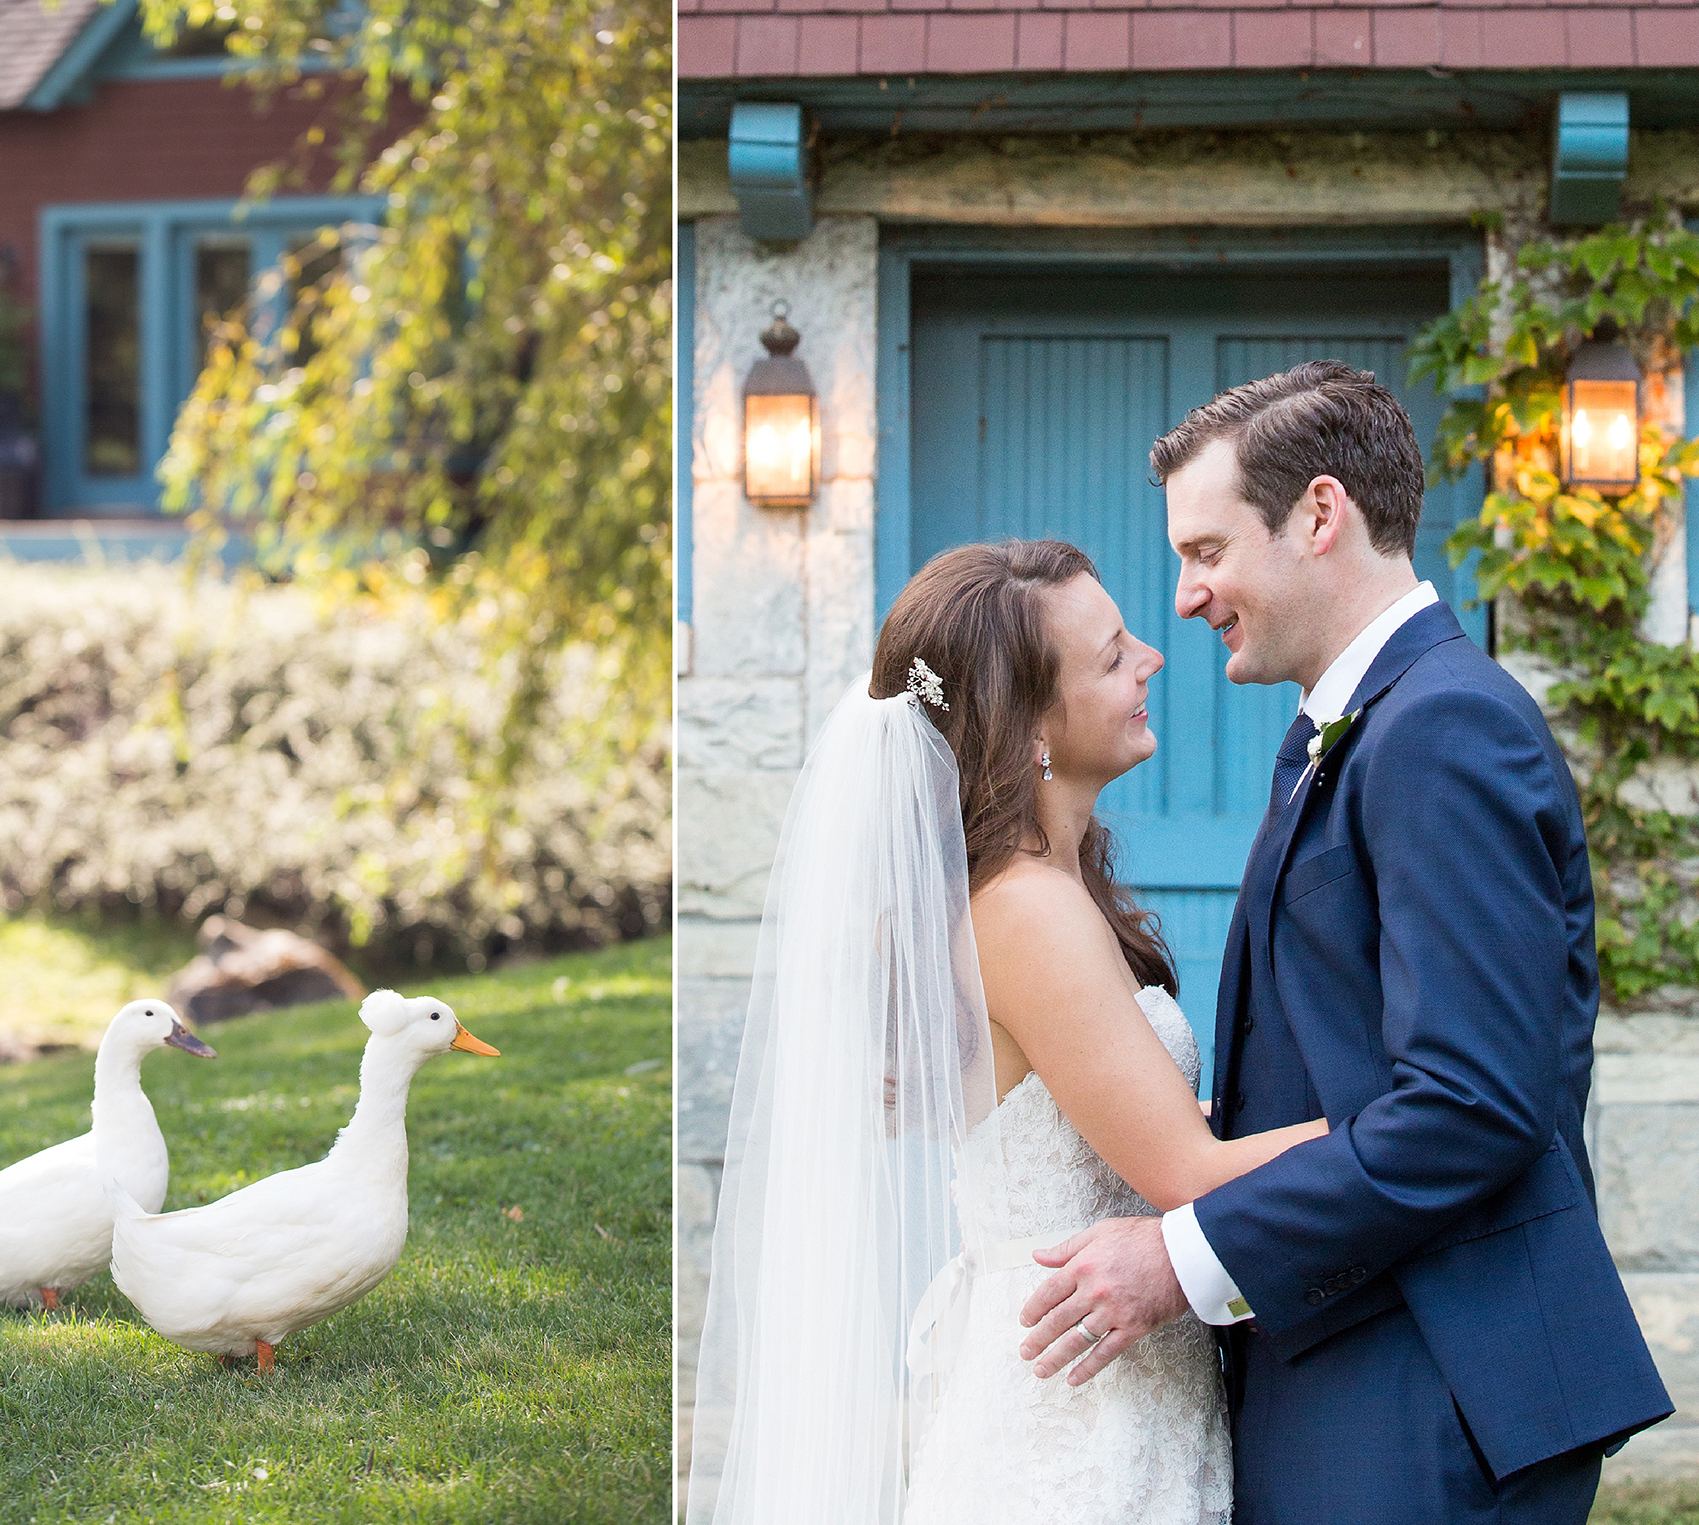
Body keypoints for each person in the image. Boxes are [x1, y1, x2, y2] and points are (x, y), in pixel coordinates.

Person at [1015, 360, 1671, 1523]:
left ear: (1318, 514)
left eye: (1205, 551)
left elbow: (1473, 1100)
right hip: (1352, 1352)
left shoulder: (1442, 728)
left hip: (1426, 1382)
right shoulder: (1357, 729)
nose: (1182, 596)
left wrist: (1188, 1257)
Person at [687, 536, 1330, 1525]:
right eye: (1112, 654)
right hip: (1075, 1430)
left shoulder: (1048, 889)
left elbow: (1102, 1129)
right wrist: (1414, 1117)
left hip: (1117, 1387)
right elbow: (1185, 1176)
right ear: (1030, 722)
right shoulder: (1023, 910)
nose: (1152, 657)